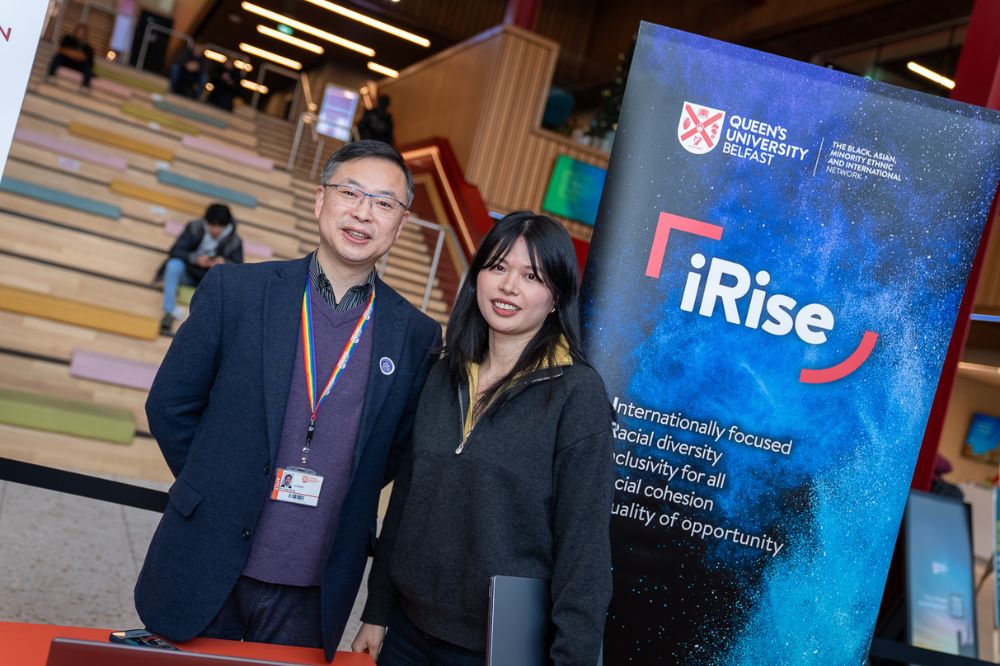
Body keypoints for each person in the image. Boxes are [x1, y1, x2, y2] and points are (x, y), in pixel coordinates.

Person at [135, 141, 441, 660]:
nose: (365, 212)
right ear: (321, 200)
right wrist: (218, 486)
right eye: (351, 192)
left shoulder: (415, 336)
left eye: (385, 203)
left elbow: (391, 456)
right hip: (206, 556)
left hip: (314, 590)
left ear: (401, 223)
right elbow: (170, 405)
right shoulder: (238, 291)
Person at [354, 212, 614, 665]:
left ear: (556, 296)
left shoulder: (577, 394)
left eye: (531, 276)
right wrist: (376, 610)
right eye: (497, 267)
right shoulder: (443, 372)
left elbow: (584, 550)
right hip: (406, 634)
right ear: (477, 280)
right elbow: (406, 501)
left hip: (498, 649)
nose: (508, 286)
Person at [155, 203, 243, 334]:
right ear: (206, 222)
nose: (216, 230)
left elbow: (239, 269)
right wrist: (195, 259)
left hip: (211, 281)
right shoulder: (194, 227)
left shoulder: (235, 241)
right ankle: (169, 312)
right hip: (189, 273)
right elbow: (175, 251)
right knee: (173, 265)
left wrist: (225, 264)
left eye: (220, 226)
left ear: (226, 225)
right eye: (213, 225)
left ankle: (211, 326)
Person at [47, 24, 95, 89]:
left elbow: (87, 60)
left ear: (85, 34)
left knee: (87, 65)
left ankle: (85, 85)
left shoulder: (88, 47)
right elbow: (61, 50)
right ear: (75, 31)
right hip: (66, 61)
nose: (80, 33)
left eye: (82, 32)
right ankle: (51, 75)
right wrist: (76, 54)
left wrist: (71, 53)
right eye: (79, 31)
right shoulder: (67, 38)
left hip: (79, 66)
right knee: (58, 57)